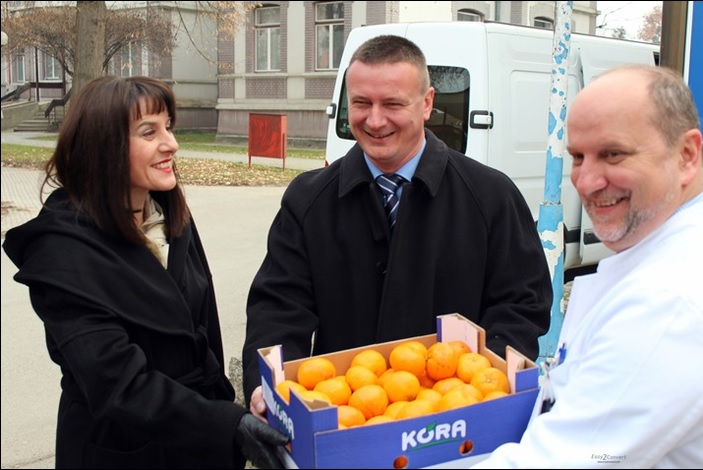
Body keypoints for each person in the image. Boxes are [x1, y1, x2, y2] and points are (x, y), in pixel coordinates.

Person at [242, 35, 553, 415]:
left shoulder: (491, 196)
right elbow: (278, 306)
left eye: (392, 104)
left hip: (456, 419)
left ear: (427, 104)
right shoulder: (308, 201)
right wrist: (268, 385)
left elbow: (522, 302)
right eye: (360, 103)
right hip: (345, 418)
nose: (374, 121)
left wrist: (495, 372)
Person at [2, 76, 288, 469]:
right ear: (104, 147)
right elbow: (117, 384)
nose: (171, 143)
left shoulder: (173, 219)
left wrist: (223, 414)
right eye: (148, 132)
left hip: (195, 442)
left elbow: (204, 334)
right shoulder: (63, 252)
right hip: (121, 452)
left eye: (168, 126)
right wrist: (226, 424)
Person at [471, 64, 703, 468]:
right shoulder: (656, 257)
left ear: (686, 156)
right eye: (578, 156)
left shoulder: (668, 300)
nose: (587, 181)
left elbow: (569, 460)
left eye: (613, 154)